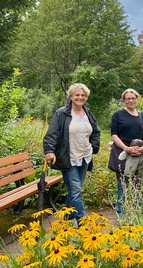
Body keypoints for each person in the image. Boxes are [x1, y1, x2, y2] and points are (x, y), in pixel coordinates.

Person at [43, 83, 100, 223]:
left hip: (85, 157)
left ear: (86, 97)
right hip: (68, 158)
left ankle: (67, 218)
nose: (80, 97)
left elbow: (96, 132)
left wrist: (93, 147)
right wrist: (50, 151)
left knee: (75, 190)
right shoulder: (61, 113)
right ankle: (83, 224)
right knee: (75, 191)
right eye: (77, 95)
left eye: (83, 95)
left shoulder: (88, 113)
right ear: (71, 96)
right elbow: (52, 134)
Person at [108, 89, 143, 214]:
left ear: (137, 99)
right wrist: (126, 148)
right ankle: (121, 212)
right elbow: (114, 135)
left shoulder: (142, 116)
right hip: (124, 153)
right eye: (128, 98)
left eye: (133, 98)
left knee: (137, 183)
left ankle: (137, 210)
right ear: (124, 100)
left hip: (139, 154)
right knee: (123, 184)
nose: (131, 100)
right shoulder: (118, 115)